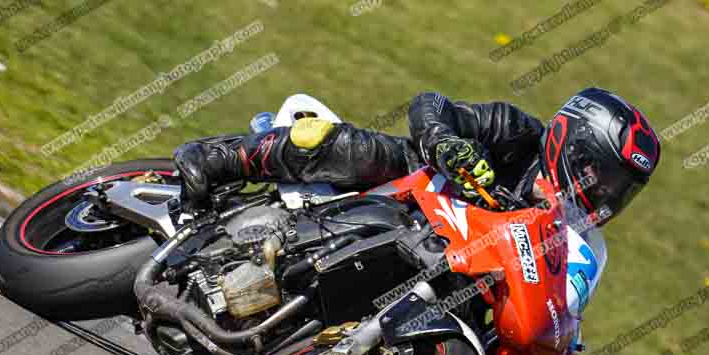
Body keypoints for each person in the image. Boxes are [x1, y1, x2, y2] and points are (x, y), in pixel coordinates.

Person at [174, 87, 660, 226]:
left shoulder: (565, 239)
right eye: (601, 176)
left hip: (438, 255)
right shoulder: (516, 132)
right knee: (352, 148)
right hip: (407, 188)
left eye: (619, 192)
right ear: (571, 148)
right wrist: (446, 143)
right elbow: (432, 104)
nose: (603, 194)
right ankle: (216, 157)